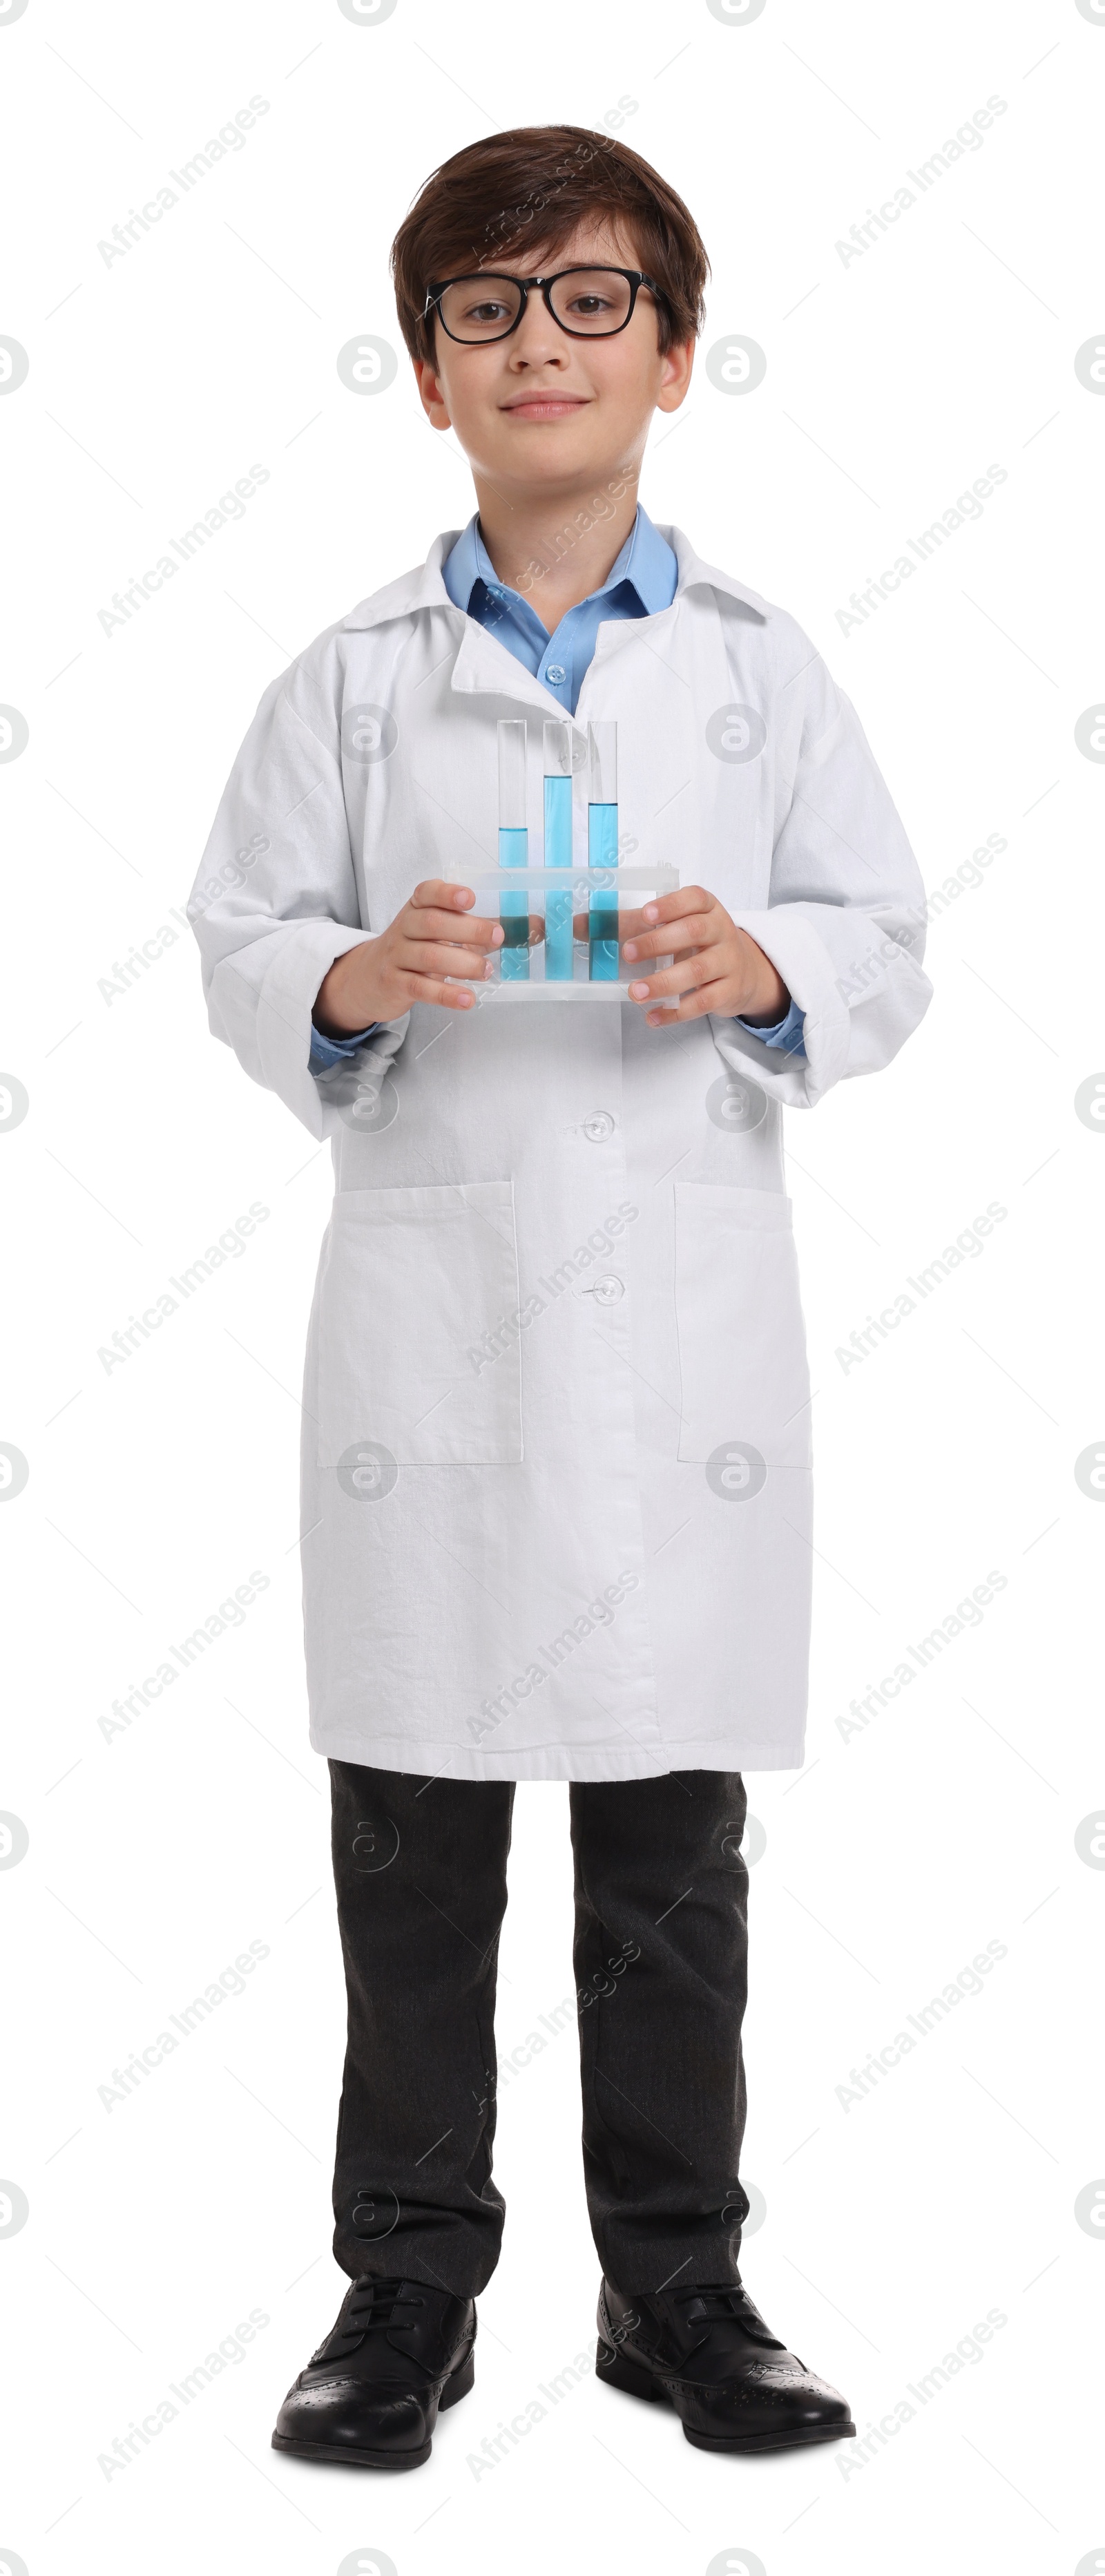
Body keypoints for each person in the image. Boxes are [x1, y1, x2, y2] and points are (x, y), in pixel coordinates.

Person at [189, 124, 931, 2473]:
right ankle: (402, 2293)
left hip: (678, 1355)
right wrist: (351, 970)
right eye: (489, 309)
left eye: (591, 299)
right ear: (428, 377)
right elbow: (233, 935)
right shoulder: (346, 677)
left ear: (676, 354)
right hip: (435, 1337)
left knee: (667, 1855)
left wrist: (767, 962)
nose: (541, 344)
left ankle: (677, 2288)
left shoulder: (761, 669)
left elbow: (889, 937)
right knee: (413, 1844)